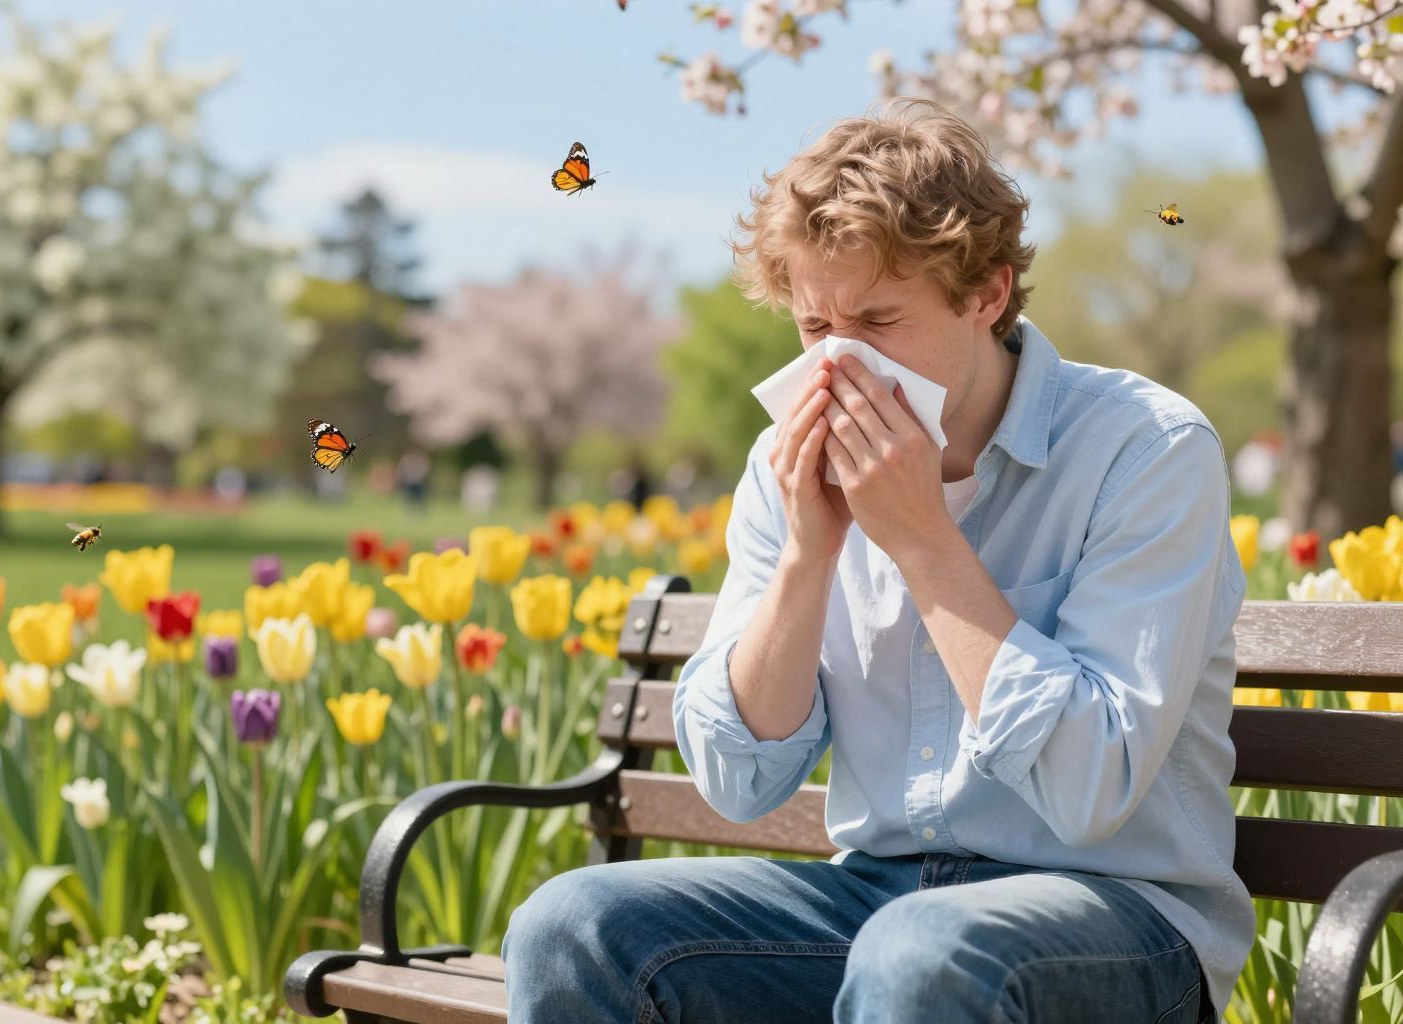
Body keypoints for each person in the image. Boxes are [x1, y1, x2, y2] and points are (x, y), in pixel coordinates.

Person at [502, 98, 1251, 1023]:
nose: (839, 363)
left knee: (925, 952)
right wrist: (809, 560)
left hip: (1123, 922)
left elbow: (1089, 787)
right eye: (816, 327)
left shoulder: (1147, 449)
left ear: (988, 295)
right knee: (573, 926)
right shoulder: (782, 465)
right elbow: (739, 781)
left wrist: (922, 540)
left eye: (879, 320)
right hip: (878, 902)